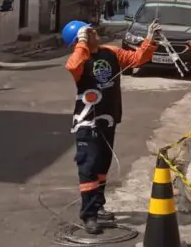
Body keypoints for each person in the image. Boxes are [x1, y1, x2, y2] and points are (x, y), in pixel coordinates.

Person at [63, 18, 161, 234]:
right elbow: (72, 67)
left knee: (101, 166)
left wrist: (149, 41)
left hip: (108, 118)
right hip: (87, 122)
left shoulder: (110, 52)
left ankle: (98, 207)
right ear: (79, 39)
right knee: (88, 167)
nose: (94, 32)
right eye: (89, 32)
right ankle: (89, 215)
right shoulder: (80, 58)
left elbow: (137, 59)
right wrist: (82, 43)